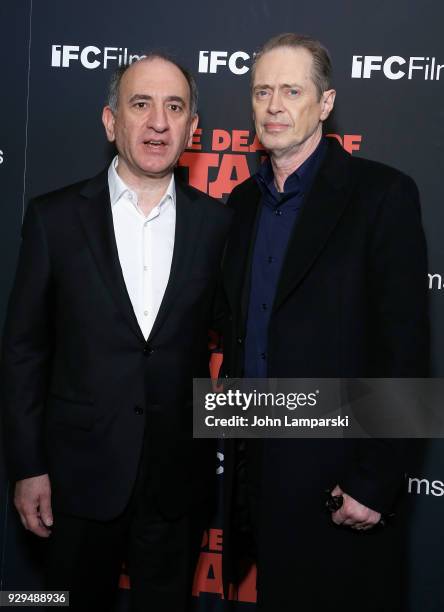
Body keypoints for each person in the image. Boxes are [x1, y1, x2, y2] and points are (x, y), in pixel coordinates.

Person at [1, 52, 231, 612]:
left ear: (192, 129)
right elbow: (24, 351)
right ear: (111, 121)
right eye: (141, 104)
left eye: (175, 107)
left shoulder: (219, 223)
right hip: (76, 479)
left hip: (176, 482)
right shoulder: (54, 219)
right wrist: (29, 466)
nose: (158, 121)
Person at [217, 33, 429, 611]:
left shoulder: (382, 196)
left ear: (326, 104)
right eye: (263, 91)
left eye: (292, 90)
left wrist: (376, 479)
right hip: (257, 478)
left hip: (341, 484)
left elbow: (405, 348)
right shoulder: (239, 205)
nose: (275, 105)